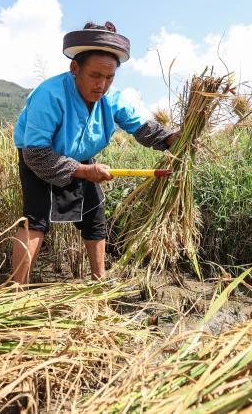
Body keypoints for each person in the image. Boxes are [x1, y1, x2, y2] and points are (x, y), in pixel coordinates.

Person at [11, 21, 178, 284]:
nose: (102, 85)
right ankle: (15, 287)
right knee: (36, 219)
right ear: (75, 68)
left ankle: (99, 281)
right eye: (95, 76)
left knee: (94, 214)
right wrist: (83, 171)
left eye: (109, 78)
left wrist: (172, 138)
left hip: (82, 158)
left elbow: (142, 128)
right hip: (42, 157)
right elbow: (36, 153)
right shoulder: (49, 95)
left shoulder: (113, 100)